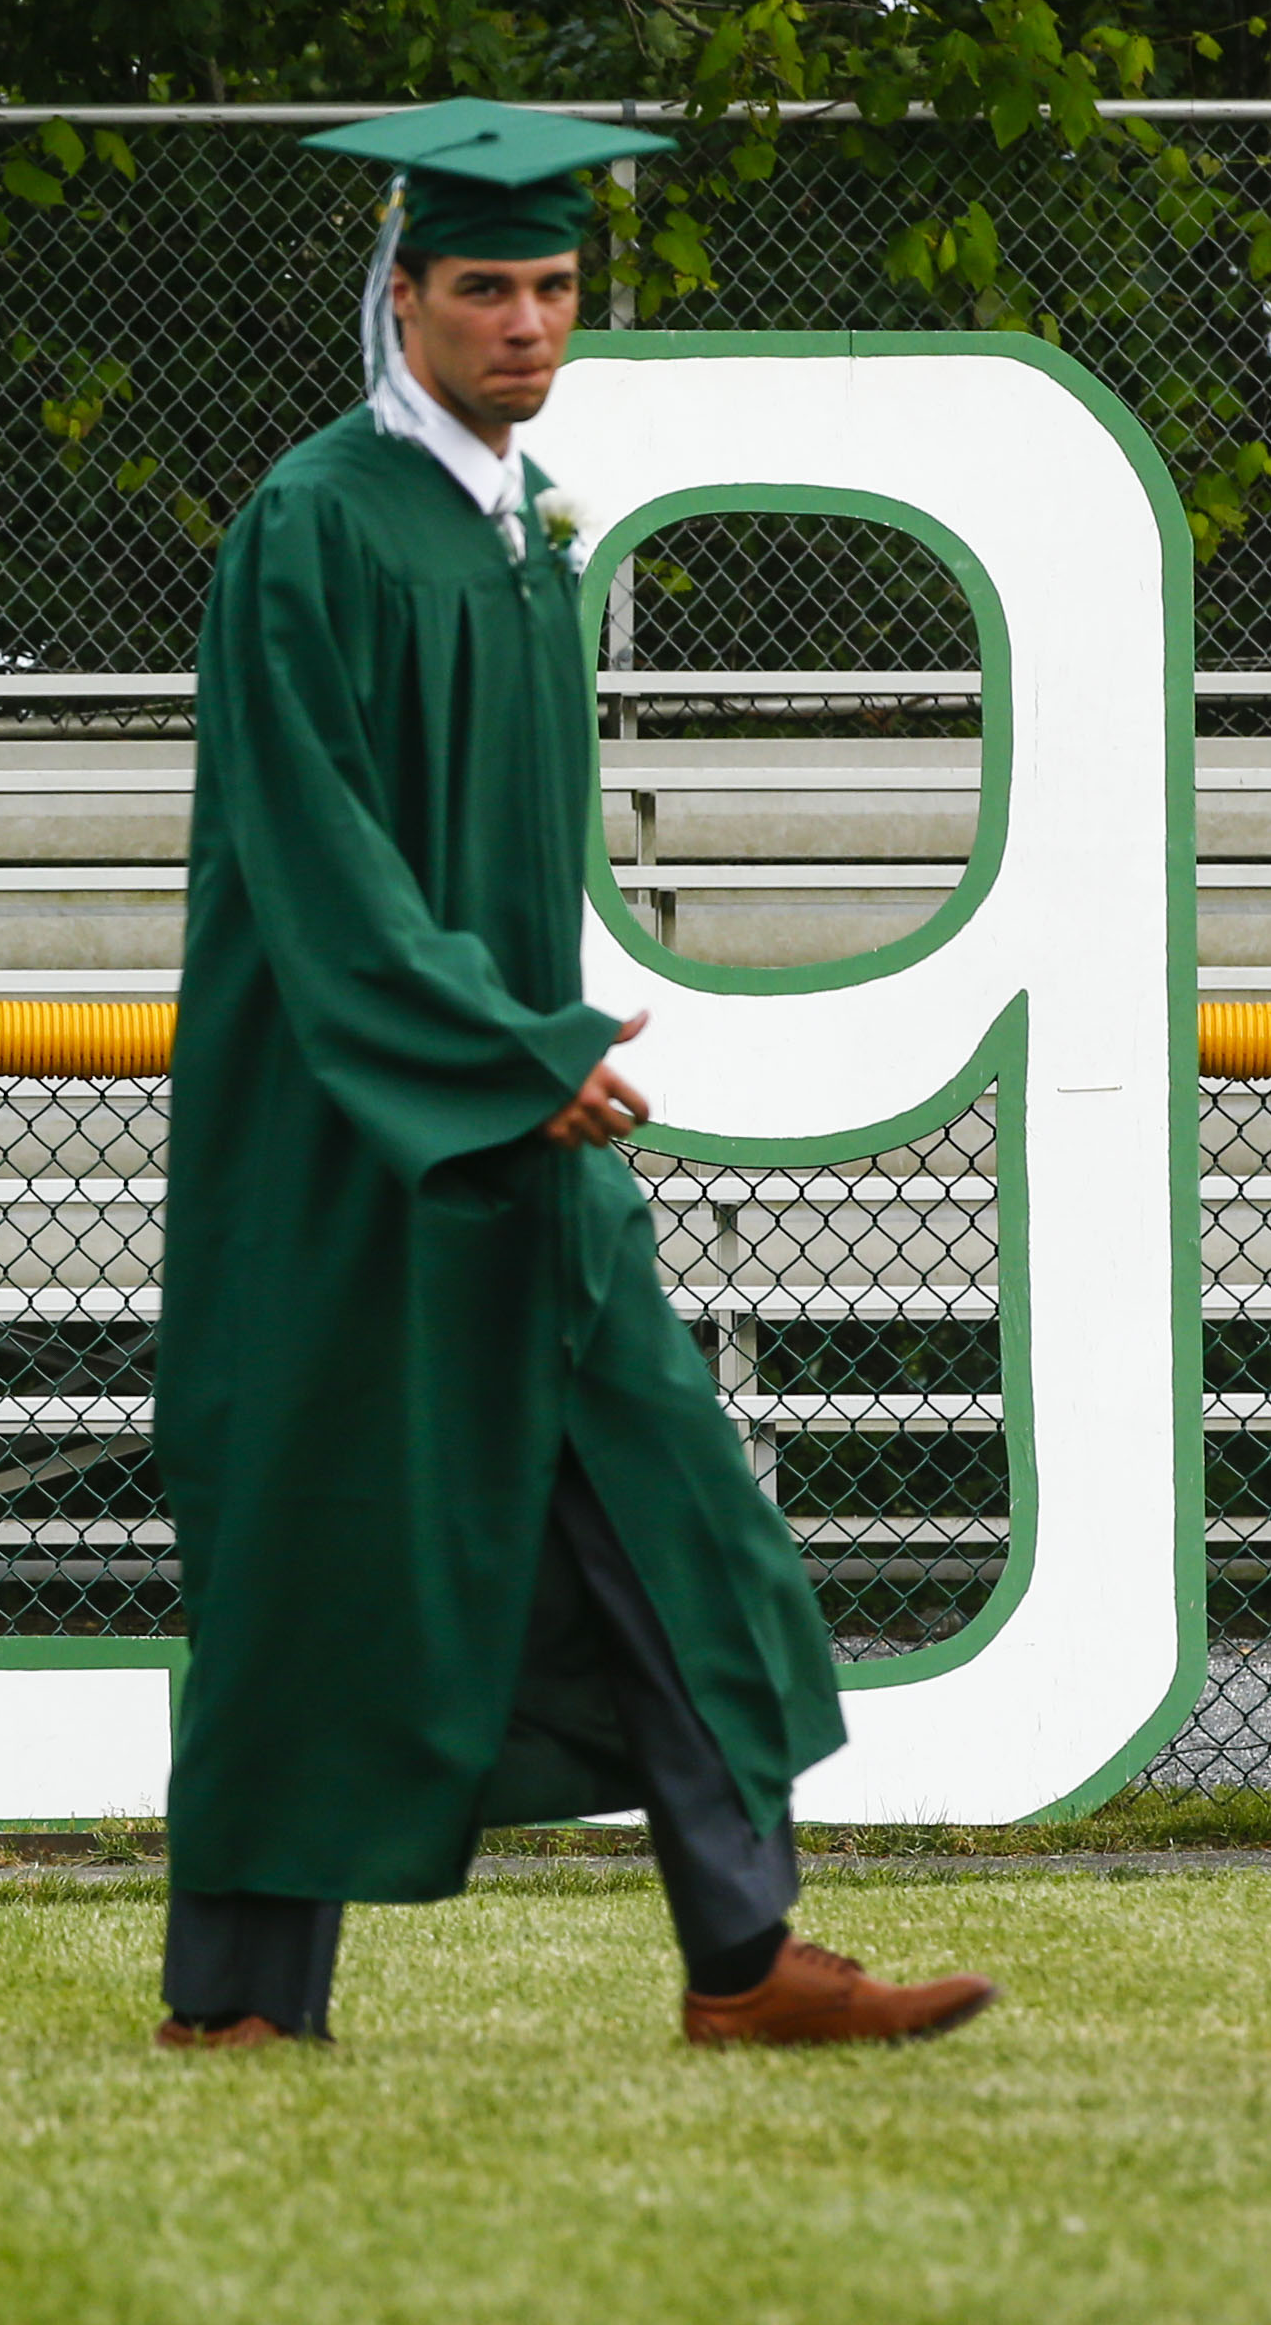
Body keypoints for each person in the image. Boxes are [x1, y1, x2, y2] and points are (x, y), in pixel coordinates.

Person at [155, 99, 997, 2050]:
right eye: (484, 288)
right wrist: (502, 1053)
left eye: (551, 284)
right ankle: (241, 2002)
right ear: (404, 297)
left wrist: (538, 1061)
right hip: (352, 1148)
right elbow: (320, 854)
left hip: (529, 1125)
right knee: (315, 1554)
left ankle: (743, 1952)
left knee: (682, 1504)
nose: (526, 321)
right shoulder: (311, 526)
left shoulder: (526, 535)